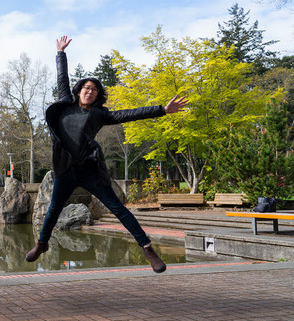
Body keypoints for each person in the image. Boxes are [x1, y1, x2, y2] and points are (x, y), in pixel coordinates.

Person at [26, 36, 188, 274]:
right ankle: (42, 244)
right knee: (53, 209)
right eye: (86, 87)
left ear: (97, 95)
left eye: (94, 89)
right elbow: (62, 77)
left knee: (119, 209)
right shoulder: (65, 103)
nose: (89, 91)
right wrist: (60, 53)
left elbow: (129, 114)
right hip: (66, 169)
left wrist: (162, 110)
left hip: (89, 170)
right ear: (80, 90)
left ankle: (147, 248)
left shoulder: (100, 114)